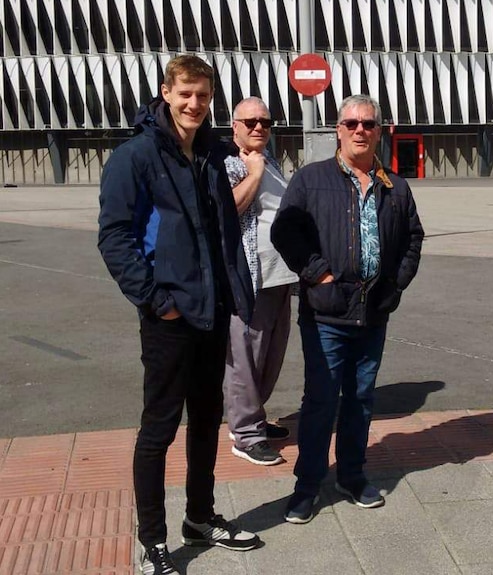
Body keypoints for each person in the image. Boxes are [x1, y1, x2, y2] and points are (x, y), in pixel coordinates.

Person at [97, 55, 260, 575]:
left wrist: (234, 289)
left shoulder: (211, 154)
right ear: (166, 92)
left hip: (212, 311)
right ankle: (153, 540)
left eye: (204, 96)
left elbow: (221, 229)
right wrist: (155, 300)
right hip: (170, 317)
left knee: (207, 420)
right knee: (159, 429)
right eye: (186, 93)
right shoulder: (136, 157)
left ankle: (199, 516)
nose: (195, 104)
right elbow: (115, 237)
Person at [271, 94, 424, 524]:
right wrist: (317, 273)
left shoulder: (395, 184)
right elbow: (287, 231)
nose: (360, 130)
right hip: (326, 314)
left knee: (360, 398)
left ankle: (352, 475)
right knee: (321, 400)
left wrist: (396, 283)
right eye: (352, 123)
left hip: (373, 312)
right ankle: (307, 486)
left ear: (379, 131)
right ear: (338, 129)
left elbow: (413, 238)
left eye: (369, 124)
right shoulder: (311, 178)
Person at [222, 97, 298, 466]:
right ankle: (245, 433)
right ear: (234, 126)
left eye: (265, 122)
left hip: (279, 277)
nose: (258, 128)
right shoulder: (230, 163)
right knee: (244, 359)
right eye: (250, 121)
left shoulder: (271, 162)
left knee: (270, 354)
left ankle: (255, 418)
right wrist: (250, 174)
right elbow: (225, 210)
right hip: (249, 278)